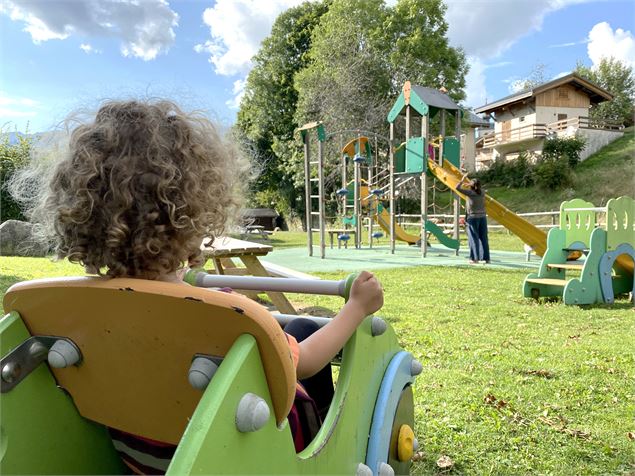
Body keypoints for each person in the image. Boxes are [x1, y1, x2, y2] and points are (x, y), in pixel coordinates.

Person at [15, 99, 383, 473]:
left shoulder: (69, 308)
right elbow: (306, 363)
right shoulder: (221, 312)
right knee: (302, 340)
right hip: (250, 461)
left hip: (143, 461)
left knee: (301, 327)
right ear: (195, 210)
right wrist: (356, 308)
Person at [456, 174, 490, 264]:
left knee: (473, 238)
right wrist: (470, 184)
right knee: (483, 238)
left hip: (473, 218)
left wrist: (462, 180)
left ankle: (474, 258)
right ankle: (486, 258)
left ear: (472, 186)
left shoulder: (470, 193)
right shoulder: (482, 192)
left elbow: (457, 188)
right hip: (482, 217)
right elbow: (477, 188)